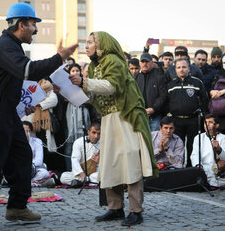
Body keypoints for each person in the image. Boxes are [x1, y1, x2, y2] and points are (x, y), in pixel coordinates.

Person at [0, 2, 78, 231]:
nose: (36, 30)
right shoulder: (5, 46)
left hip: (7, 114)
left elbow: (10, 82)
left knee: (22, 157)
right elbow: (29, 71)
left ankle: (16, 208)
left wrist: (20, 104)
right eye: (33, 25)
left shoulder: (12, 46)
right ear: (21, 25)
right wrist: (60, 57)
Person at [68, 31, 158, 226]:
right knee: (110, 163)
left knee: (130, 161)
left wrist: (84, 82)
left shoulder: (114, 61)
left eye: (90, 42)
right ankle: (115, 208)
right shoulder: (93, 67)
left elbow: (111, 86)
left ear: (102, 45)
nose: (87, 46)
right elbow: (94, 96)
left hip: (125, 116)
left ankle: (136, 210)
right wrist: (73, 90)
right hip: (108, 118)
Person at [167, 58, 209, 167]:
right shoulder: (171, 85)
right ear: (175, 69)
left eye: (184, 67)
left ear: (189, 68)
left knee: (192, 147)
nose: (181, 69)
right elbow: (167, 102)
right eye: (179, 67)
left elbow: (205, 100)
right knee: (177, 147)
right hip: (176, 121)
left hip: (193, 120)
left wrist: (202, 115)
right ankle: (178, 169)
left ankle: (191, 169)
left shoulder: (197, 82)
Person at [191, 114, 225, 187]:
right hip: (203, 168)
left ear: (217, 125)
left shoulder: (224, 138)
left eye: (210, 122)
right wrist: (198, 166)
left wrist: (219, 149)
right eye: (205, 122)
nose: (207, 125)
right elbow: (195, 154)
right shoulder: (198, 137)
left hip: (218, 170)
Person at [135, 53, 167, 131]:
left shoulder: (159, 77)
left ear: (152, 63)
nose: (145, 64)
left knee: (154, 141)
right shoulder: (136, 78)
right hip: (140, 116)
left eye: (147, 62)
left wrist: (153, 109)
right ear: (139, 63)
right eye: (143, 62)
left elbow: (163, 96)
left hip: (155, 117)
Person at [22, 121, 53, 187]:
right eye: (24, 131)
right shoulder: (15, 142)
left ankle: (28, 182)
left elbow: (39, 161)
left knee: (44, 173)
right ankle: (33, 183)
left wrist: (28, 165)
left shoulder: (37, 141)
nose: (26, 134)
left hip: (34, 169)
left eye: (28, 131)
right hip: (20, 168)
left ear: (31, 132)